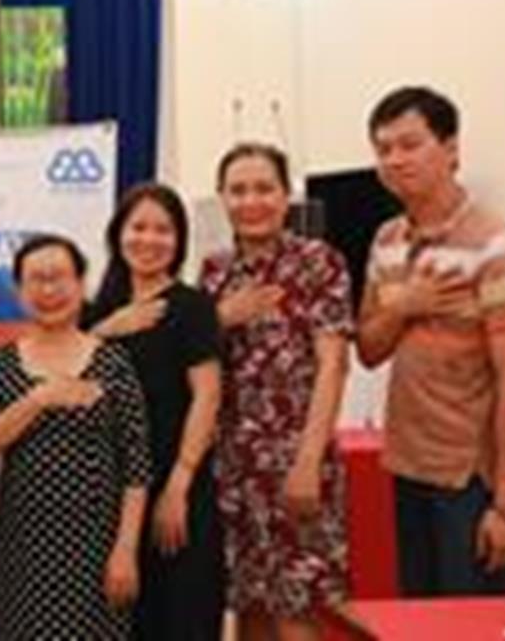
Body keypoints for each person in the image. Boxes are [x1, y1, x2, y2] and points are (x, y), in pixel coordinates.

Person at [356, 86, 505, 597]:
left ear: (451, 149)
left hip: (473, 479)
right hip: (408, 466)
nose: (395, 159)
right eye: (383, 149)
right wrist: (404, 306)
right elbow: (369, 349)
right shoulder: (386, 241)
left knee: (471, 627)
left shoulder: (497, 246)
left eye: (410, 144)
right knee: (421, 622)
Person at [0, 234, 150, 640]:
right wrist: (38, 400)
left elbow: (137, 465)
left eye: (60, 277)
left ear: (81, 284)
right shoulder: (2, 364)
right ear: (19, 290)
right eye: (37, 279)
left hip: (98, 546)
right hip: (24, 548)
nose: (49, 290)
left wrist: (126, 549)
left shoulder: (113, 362)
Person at [199, 144, 353, 639]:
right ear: (223, 198)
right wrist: (220, 317)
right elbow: (196, 362)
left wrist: (308, 461)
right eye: (238, 190)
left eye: (264, 188)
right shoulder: (214, 272)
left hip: (296, 461)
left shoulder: (318, 263)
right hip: (231, 467)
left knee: (296, 607)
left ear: (286, 195)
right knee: (248, 608)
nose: (251, 201)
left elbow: (333, 365)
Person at [86, 184, 223, 641]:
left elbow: (207, 396)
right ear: (117, 234)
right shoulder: (96, 312)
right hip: (109, 492)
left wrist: (179, 483)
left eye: (163, 230)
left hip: (175, 485)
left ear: (179, 241)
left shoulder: (193, 307)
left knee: (181, 615)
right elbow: (66, 377)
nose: (148, 239)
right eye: (138, 227)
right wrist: (108, 328)